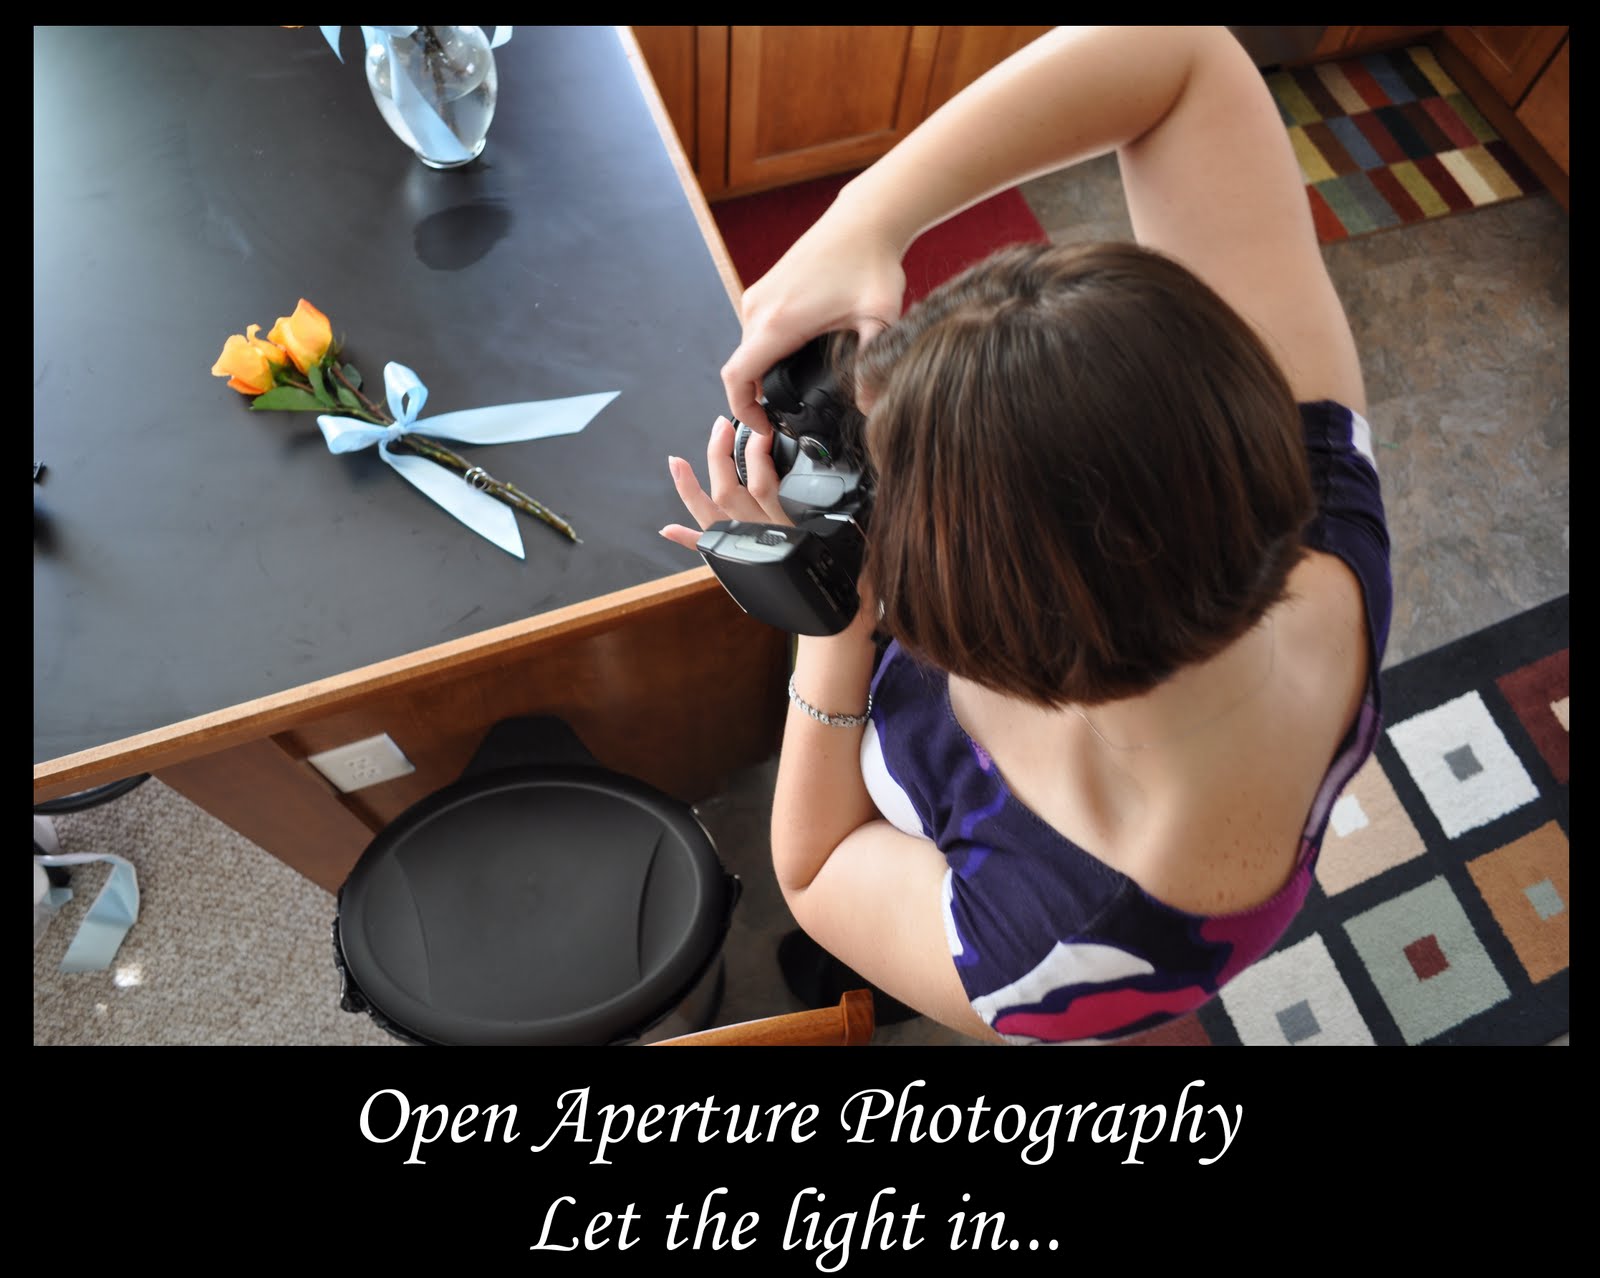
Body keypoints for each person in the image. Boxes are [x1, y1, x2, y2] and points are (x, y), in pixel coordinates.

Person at [660, 25, 1390, 1043]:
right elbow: (1179, 51)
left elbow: (821, 866)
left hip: (1122, 970)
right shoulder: (1316, 492)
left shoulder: (1038, 950)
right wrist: (862, 216)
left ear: (965, 644)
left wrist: (828, 630)